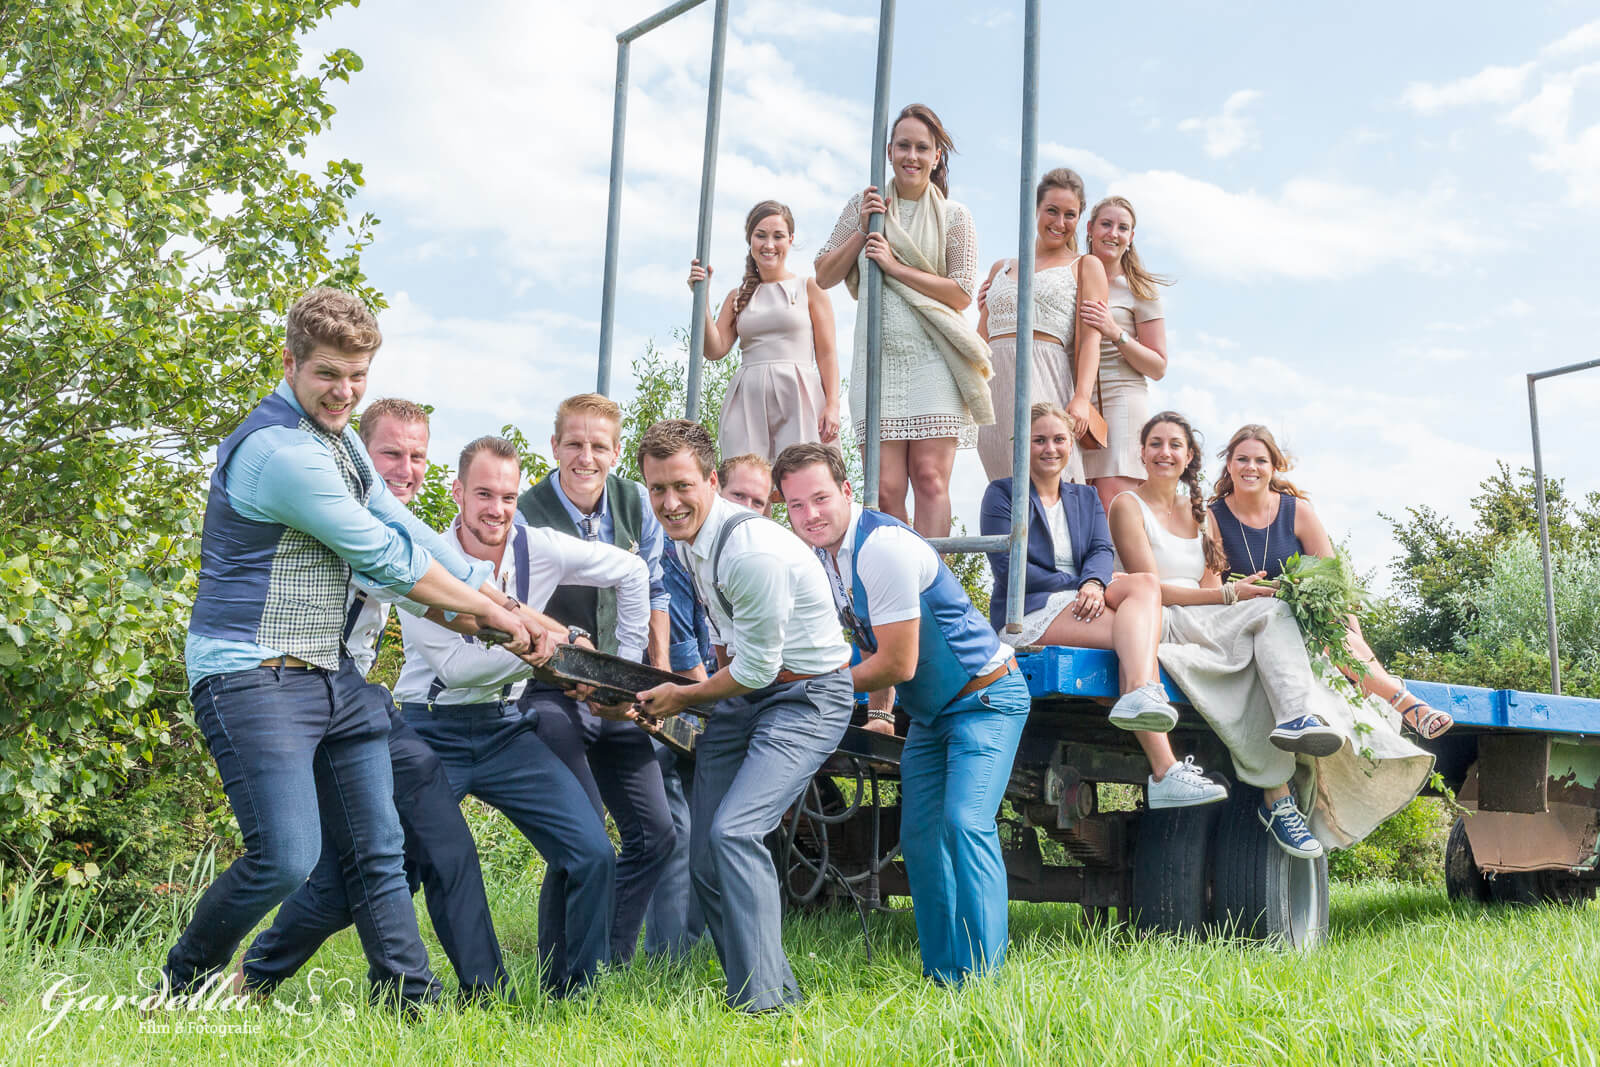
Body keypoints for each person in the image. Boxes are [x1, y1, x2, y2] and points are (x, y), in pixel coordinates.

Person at [173, 289, 537, 1008]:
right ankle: (182, 983)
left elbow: (402, 523)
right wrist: (489, 612)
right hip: (251, 672)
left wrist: (504, 602)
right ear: (290, 363)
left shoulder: (337, 443)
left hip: (332, 676)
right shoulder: (279, 452)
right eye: (328, 374)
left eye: (357, 376)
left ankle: (409, 1000)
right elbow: (384, 556)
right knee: (285, 857)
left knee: (379, 848)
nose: (344, 391)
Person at [242, 399, 513, 1003]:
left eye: (417, 456)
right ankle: (256, 977)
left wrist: (527, 629)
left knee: (441, 838)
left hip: (360, 703)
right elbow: (417, 584)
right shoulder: (336, 513)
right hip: (301, 702)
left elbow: (442, 604)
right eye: (391, 453)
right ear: (361, 456)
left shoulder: (397, 528)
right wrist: (505, 618)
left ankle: (485, 993)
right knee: (346, 878)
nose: (406, 469)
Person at [1108, 413, 1433, 859]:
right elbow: (1151, 587)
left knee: (1273, 613)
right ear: (1142, 453)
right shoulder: (1128, 504)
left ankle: (1297, 718)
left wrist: (1236, 602)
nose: (1165, 453)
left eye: (1175, 445)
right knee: (1256, 634)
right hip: (1159, 615)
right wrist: (1230, 596)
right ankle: (1276, 794)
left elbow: (1213, 583)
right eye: (1156, 444)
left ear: (1189, 456)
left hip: (1204, 614)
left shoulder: (1200, 514)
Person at [396, 435, 652, 997]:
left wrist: (620, 669)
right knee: (399, 870)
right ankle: (465, 992)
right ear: (457, 492)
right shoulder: (424, 561)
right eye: (484, 494)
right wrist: (551, 648)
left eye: (509, 497)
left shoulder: (540, 547)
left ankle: (576, 993)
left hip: (504, 728)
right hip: (429, 727)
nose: (497, 509)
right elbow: (458, 670)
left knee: (592, 853)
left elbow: (633, 572)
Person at [776, 442, 1030, 983]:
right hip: (932, 715)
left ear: (847, 491)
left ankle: (986, 982)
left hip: (985, 699)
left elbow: (897, 661)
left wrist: (815, 687)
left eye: (820, 498)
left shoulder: (882, 547)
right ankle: (945, 977)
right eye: (796, 505)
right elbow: (864, 642)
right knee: (920, 841)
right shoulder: (824, 558)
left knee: (964, 823)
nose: (810, 514)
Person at [631, 420, 853, 1013]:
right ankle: (765, 988)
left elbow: (756, 669)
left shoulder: (749, 552)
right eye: (657, 489)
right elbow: (729, 646)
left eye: (682, 486)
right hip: (748, 694)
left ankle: (764, 1007)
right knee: (706, 857)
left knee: (736, 831)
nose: (669, 503)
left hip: (807, 696)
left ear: (710, 481)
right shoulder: (689, 542)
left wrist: (681, 699)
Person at [979, 403, 1227, 808]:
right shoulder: (1003, 494)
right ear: (1022, 444)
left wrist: (1095, 582)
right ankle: (1163, 768)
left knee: (1145, 584)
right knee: (1135, 634)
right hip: (1031, 609)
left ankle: (1140, 698)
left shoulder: (1085, 496)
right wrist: (1084, 585)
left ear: (1071, 445)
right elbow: (1011, 567)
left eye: (1058, 439)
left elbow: (1099, 549)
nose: (1050, 448)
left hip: (1083, 597)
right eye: (1039, 440)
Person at [516, 393, 675, 965]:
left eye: (598, 446)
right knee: (580, 833)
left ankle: (609, 956)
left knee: (655, 834)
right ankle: (559, 968)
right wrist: (568, 655)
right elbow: (514, 603)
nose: (586, 457)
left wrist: (654, 676)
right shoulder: (525, 512)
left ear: (615, 452)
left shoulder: (636, 505)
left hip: (619, 686)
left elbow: (655, 591)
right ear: (554, 447)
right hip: (551, 685)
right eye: (575, 444)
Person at [814, 103, 992, 538]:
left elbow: (961, 292)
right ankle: (899, 572)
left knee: (930, 478)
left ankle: (931, 575)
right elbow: (823, 275)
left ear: (936, 156)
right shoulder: (865, 205)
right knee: (885, 488)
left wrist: (895, 267)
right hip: (877, 363)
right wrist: (862, 230)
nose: (912, 156)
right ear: (890, 151)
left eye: (922, 148)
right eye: (904, 146)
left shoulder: (955, 216)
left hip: (934, 360)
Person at [1209, 424, 1453, 739]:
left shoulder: (1297, 512)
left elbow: (1335, 588)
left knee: (1327, 626)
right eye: (1242, 459)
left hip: (1309, 626)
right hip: (1247, 624)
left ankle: (1404, 703)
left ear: (1274, 467)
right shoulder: (1213, 517)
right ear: (1229, 464)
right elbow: (1211, 591)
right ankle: (1406, 703)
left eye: (1260, 460)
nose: (1251, 467)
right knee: (1299, 621)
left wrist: (1359, 645)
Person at [641, 454, 771, 960]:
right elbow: (683, 652)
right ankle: (668, 953)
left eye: (759, 501)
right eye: (739, 496)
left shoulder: (746, 553)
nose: (748, 508)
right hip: (674, 697)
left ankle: (693, 944)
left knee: (706, 822)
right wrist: (719, 699)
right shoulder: (678, 550)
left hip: (709, 698)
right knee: (675, 824)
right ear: (717, 489)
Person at [975, 169, 1107, 483]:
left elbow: (1090, 340)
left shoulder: (1086, 266)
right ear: (1036, 209)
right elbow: (980, 339)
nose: (1060, 222)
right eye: (1052, 210)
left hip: (1046, 378)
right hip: (996, 389)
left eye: (1070, 214)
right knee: (1004, 485)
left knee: (1054, 481)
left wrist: (1082, 397)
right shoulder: (1001, 267)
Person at [687, 200, 841, 460]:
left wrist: (832, 405)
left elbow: (827, 354)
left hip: (799, 396)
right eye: (761, 236)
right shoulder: (737, 296)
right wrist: (701, 297)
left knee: (803, 472)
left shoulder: (809, 288)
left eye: (778, 236)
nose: (769, 245)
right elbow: (714, 350)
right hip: (747, 401)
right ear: (750, 240)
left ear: (790, 240)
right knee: (746, 477)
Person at [1077, 196, 1172, 514]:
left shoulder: (1139, 290)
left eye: (1122, 228)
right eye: (1106, 224)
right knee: (1076, 504)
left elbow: (1158, 366)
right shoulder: (1069, 278)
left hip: (1121, 401)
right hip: (1074, 400)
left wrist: (1114, 331)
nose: (1113, 233)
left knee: (1112, 503)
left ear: (1131, 237)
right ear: (1090, 228)